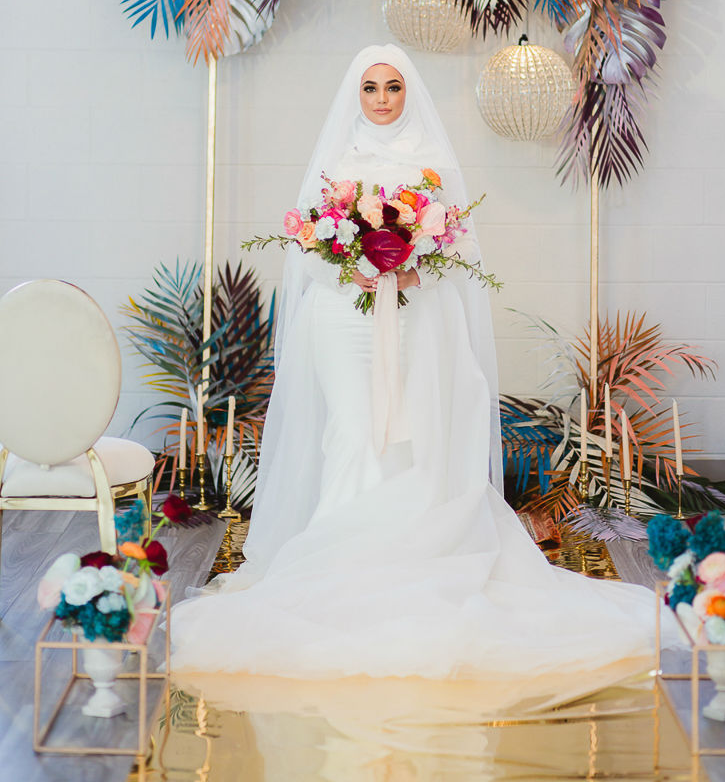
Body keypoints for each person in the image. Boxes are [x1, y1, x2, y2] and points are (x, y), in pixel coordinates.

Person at [170, 44, 662, 684]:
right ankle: (340, 558)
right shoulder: (336, 160)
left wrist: (411, 269)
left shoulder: (432, 163)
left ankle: (414, 551)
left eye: (393, 86)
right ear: (356, 95)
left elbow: (456, 250)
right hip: (342, 318)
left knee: (416, 431)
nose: (381, 98)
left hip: (417, 317)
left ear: (408, 93)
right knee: (352, 429)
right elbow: (306, 250)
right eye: (370, 87)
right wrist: (350, 267)